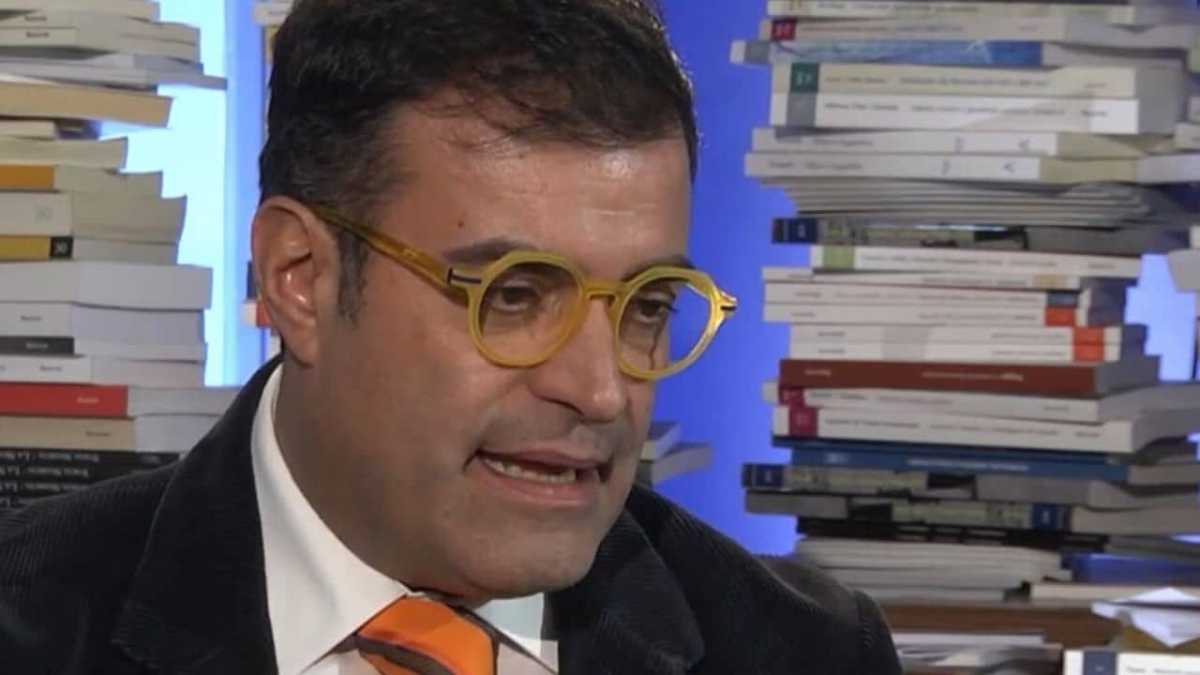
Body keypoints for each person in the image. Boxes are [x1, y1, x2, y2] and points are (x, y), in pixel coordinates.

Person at [0, 1, 902, 673]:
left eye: (646, 303)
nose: (600, 391)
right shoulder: (32, 623)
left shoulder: (807, 651)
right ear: (299, 278)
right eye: (515, 296)